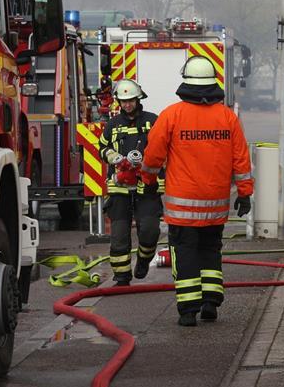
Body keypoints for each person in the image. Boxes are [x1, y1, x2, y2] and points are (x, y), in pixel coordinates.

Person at [140, 56, 253, 326]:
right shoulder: (227, 117)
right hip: (215, 205)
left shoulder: (171, 115)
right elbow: (241, 158)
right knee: (211, 250)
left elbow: (153, 156)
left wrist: (149, 181)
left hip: (183, 208)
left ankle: (189, 310)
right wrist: (245, 193)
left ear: (186, 82)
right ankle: (210, 302)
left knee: (185, 253)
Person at [98, 78, 162, 286]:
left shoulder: (153, 121)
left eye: (131, 100)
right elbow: (102, 147)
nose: (127, 105)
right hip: (120, 186)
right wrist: (115, 157)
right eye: (123, 101)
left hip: (147, 185)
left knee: (150, 230)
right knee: (119, 235)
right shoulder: (113, 125)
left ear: (138, 99)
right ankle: (122, 276)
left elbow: (164, 147)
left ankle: (143, 260)